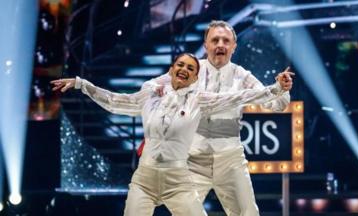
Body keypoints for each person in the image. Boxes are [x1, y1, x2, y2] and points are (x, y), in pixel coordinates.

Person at [51, 53, 290, 216]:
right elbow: (115, 102)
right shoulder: (150, 95)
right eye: (180, 65)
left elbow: (240, 97)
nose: (184, 70)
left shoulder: (200, 100)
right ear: (171, 69)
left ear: (196, 77)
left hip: (178, 181)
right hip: (144, 179)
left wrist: (276, 89)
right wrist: (82, 84)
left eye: (191, 68)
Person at [143, 21, 294, 216]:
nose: (220, 44)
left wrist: (281, 88)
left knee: (248, 213)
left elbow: (275, 104)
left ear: (233, 47)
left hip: (230, 160)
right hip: (192, 160)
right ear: (206, 45)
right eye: (215, 40)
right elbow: (152, 86)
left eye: (225, 40)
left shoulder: (242, 76)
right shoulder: (190, 70)